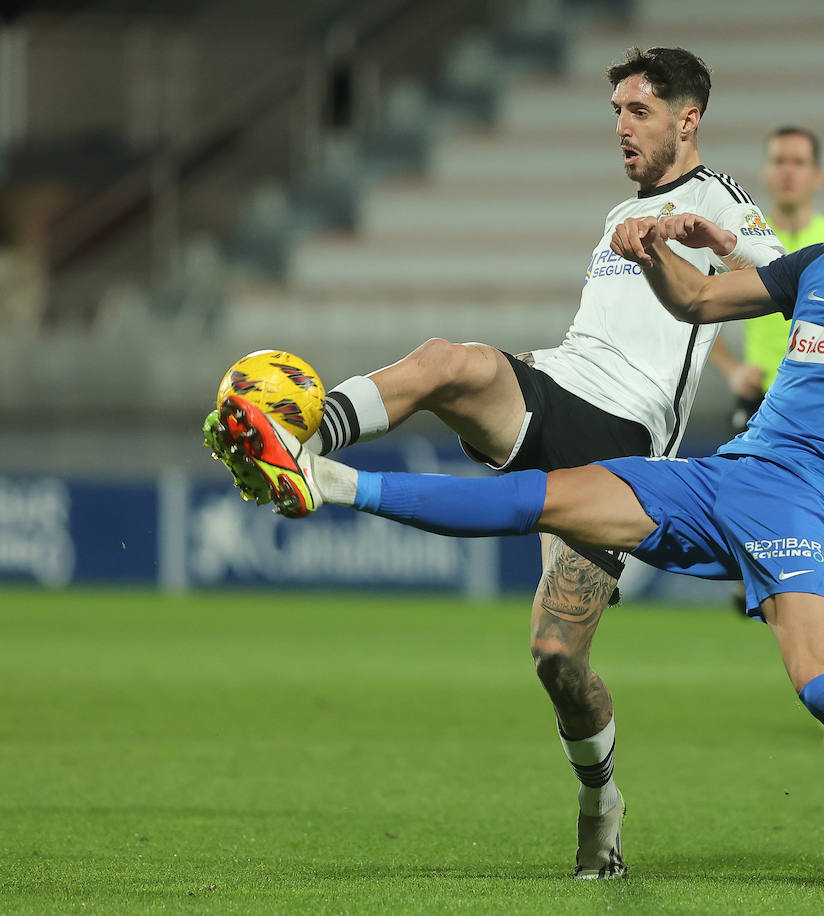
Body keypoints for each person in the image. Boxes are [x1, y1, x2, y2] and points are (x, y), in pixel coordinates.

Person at [209, 123, 824, 898]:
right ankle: (328, 480)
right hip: (721, 477)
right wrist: (650, 247)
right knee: (541, 502)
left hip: (805, 508)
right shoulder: (814, 270)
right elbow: (699, 303)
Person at [207, 46, 783, 880]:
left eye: (639, 111)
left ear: (687, 120)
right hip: (556, 386)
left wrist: (717, 239)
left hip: (621, 450)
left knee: (558, 658)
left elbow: (787, 273)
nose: (621, 126)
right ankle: (302, 445)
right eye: (616, 110)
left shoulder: (720, 202)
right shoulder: (618, 211)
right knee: (451, 360)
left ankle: (602, 804)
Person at [708, 125, 824, 613]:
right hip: (759, 395)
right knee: (748, 506)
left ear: (817, 175)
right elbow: (700, 309)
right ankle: (756, 589)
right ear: (766, 172)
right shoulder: (745, 239)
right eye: (779, 161)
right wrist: (730, 369)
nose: (787, 171)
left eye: (797, 162)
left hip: (818, 398)